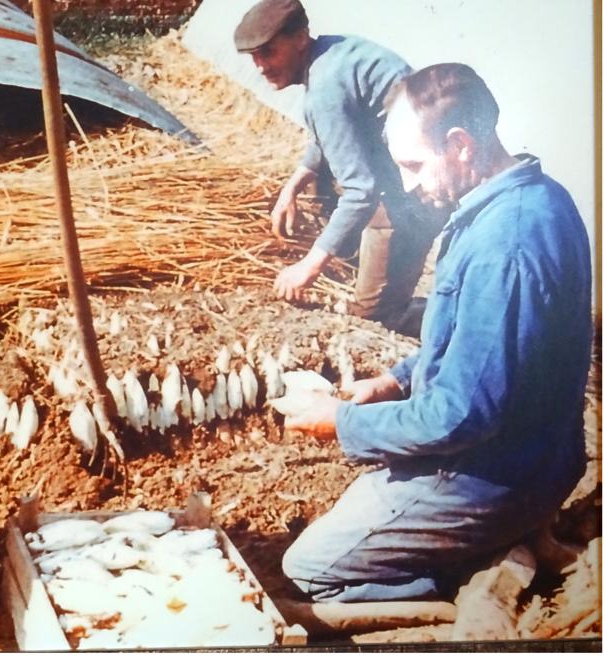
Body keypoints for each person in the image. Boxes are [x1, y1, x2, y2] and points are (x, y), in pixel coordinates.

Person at [280, 63, 592, 603]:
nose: (408, 183)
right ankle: (483, 543)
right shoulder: (534, 197)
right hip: (528, 455)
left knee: (308, 568)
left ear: (460, 144)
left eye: (415, 165)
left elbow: (462, 415)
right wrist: (395, 381)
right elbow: (479, 344)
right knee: (360, 513)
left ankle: (460, 582)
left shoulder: (506, 244)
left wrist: (344, 423)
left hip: (493, 475)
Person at [234, 0, 443, 334]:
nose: (260, 66)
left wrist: (310, 267)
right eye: (255, 56)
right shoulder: (330, 53)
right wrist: (292, 187)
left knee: (375, 317)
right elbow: (332, 135)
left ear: (300, 38)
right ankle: (364, 260)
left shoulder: (324, 89)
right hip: (407, 170)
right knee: (323, 185)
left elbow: (363, 189)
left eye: (269, 52)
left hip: (422, 188)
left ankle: (454, 317)